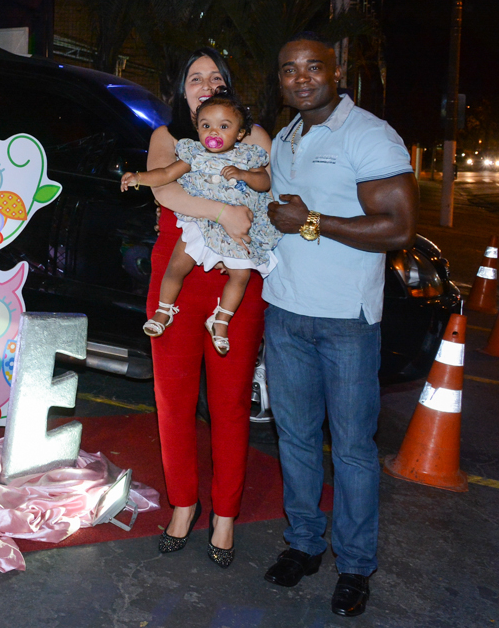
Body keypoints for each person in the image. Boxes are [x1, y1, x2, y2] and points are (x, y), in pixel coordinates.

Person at [262, 33, 417, 618]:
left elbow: (399, 227)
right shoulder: (286, 138)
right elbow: (271, 205)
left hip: (347, 322)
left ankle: (354, 566)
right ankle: (303, 544)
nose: (301, 78)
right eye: (289, 70)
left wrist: (312, 223)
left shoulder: (369, 134)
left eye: (313, 67)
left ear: (337, 70)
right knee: (295, 439)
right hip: (285, 312)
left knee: (352, 451)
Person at [119, 49, 270, 569]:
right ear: (180, 90)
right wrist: (226, 209)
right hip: (177, 282)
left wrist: (244, 210)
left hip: (235, 280)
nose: (206, 84)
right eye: (195, 77)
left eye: (217, 77)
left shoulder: (254, 139)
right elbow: (169, 194)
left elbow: (269, 198)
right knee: (174, 400)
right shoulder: (167, 138)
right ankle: (184, 504)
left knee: (230, 403)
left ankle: (224, 516)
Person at [122, 94, 280, 355]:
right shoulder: (193, 155)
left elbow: (265, 183)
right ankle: (164, 311)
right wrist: (139, 177)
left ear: (240, 133)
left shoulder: (249, 157)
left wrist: (243, 175)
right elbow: (165, 174)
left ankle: (221, 320)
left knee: (240, 275)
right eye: (206, 126)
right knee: (177, 264)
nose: (213, 132)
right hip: (203, 222)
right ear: (197, 130)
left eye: (224, 126)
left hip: (235, 229)